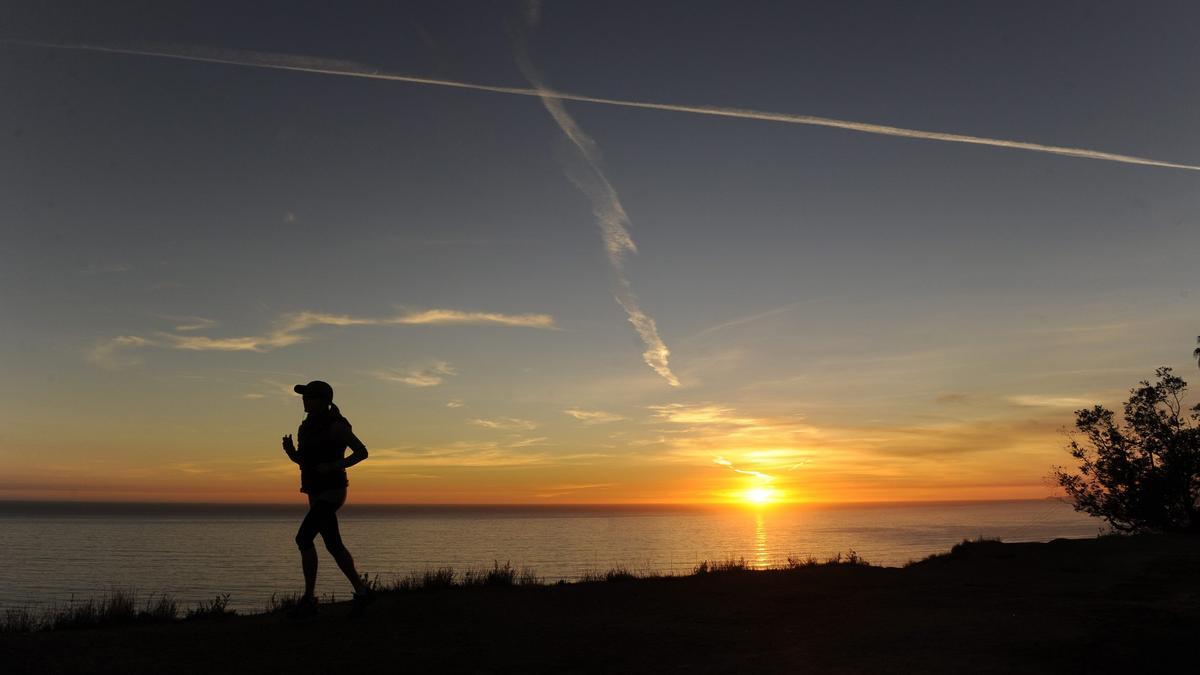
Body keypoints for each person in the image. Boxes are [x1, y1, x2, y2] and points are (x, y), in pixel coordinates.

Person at [281, 379, 372, 617]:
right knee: (333, 544)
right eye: (304, 396)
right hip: (314, 490)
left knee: (303, 538)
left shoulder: (337, 426)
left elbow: (362, 452)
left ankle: (309, 598)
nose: (304, 400)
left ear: (323, 401)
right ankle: (362, 591)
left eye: (309, 396)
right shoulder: (306, 427)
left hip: (332, 491)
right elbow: (306, 461)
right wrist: (292, 453)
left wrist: (335, 465)